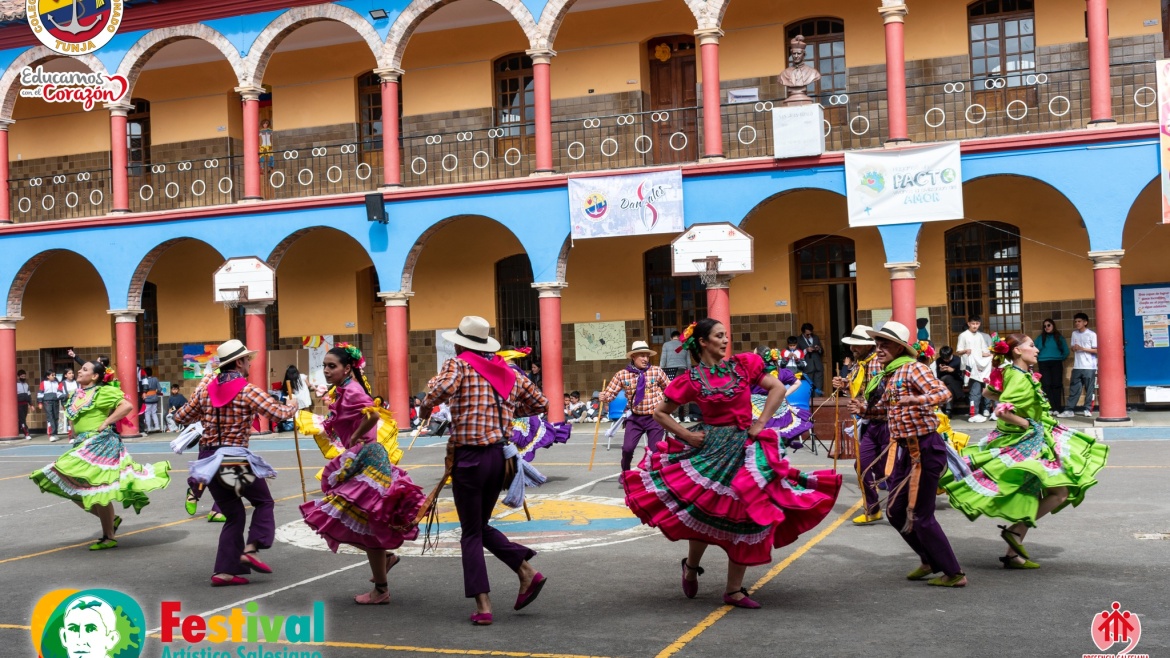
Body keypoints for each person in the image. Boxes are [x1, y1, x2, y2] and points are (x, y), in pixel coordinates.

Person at [624, 319, 841, 608]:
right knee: (703, 513)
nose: (726, 340)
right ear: (703, 342)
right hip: (710, 450)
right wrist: (687, 435)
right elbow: (660, 413)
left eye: (726, 335)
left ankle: (734, 589)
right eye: (718, 336)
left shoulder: (742, 365)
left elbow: (776, 388)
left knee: (746, 514)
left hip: (745, 448)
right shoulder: (691, 379)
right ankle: (690, 566)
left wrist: (761, 422)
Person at [418, 316, 549, 625]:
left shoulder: (459, 365)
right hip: (500, 458)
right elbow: (540, 403)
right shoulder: (509, 372)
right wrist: (503, 410)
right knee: (479, 525)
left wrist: (425, 406)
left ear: (461, 343)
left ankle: (484, 604)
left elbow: (439, 392)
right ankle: (526, 572)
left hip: (471, 457)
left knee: (471, 532)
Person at [942, 333, 1109, 569]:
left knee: (1034, 492)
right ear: (1018, 351)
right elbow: (1002, 410)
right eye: (1032, 345)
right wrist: (1027, 423)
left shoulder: (1014, 373)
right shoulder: (1019, 377)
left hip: (1028, 439)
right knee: (1059, 492)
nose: (1037, 349)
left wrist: (1021, 411)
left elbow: (991, 394)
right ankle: (1015, 533)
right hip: (1027, 442)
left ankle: (1012, 553)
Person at [299, 344, 424, 604]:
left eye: (332, 366)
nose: (326, 370)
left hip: (368, 462)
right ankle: (384, 568)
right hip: (361, 460)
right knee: (354, 522)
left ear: (347, 368)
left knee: (343, 519)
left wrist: (356, 436)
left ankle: (381, 587)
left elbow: (374, 413)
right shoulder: (343, 390)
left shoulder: (353, 390)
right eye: (325, 366)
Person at [172, 339, 298, 586]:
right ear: (239, 362)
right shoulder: (247, 390)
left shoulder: (207, 390)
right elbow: (279, 414)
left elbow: (180, 416)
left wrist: (200, 394)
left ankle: (224, 572)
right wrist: (292, 405)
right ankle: (251, 549)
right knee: (263, 502)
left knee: (233, 514)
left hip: (208, 459)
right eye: (247, 359)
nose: (250, 363)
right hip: (232, 459)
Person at [853, 321, 964, 587]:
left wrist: (917, 400)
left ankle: (954, 573)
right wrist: (863, 410)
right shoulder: (890, 374)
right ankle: (929, 560)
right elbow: (884, 410)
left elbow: (943, 392)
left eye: (885, 344)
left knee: (921, 516)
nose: (879, 349)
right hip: (906, 450)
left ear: (900, 348)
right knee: (894, 511)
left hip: (926, 448)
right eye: (877, 344)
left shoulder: (913, 368)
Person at [29, 360, 171, 550]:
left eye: (85, 369)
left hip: (100, 443)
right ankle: (111, 520)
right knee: (72, 486)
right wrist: (74, 438)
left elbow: (126, 406)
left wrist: (106, 423)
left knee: (98, 489)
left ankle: (109, 536)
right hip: (82, 445)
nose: (79, 371)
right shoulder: (74, 395)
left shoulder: (104, 392)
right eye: (81, 369)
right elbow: (73, 421)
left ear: (95, 376)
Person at [831, 324, 884, 525]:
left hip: (882, 421)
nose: (853, 349)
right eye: (852, 345)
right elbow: (857, 386)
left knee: (888, 468)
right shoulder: (860, 363)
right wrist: (843, 384)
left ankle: (908, 504)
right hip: (869, 422)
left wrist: (862, 406)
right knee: (862, 464)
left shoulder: (876, 364)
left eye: (857, 345)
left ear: (867, 346)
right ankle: (873, 509)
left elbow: (877, 394)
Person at [600, 341, 671, 473]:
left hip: (655, 418)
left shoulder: (656, 371)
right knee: (627, 449)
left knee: (654, 452)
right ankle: (625, 472)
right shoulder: (623, 374)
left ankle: (652, 478)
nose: (645, 359)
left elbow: (670, 389)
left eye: (647, 356)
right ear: (633, 357)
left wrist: (666, 406)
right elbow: (610, 393)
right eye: (642, 356)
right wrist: (604, 397)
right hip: (635, 417)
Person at [498, 346, 571, 463]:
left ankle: (518, 473)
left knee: (514, 443)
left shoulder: (511, 372)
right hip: (519, 410)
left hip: (515, 412)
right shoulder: (517, 372)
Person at [955, 315, 993, 423]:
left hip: (980, 366)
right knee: (975, 391)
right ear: (968, 324)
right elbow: (958, 351)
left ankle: (983, 410)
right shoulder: (963, 335)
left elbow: (984, 351)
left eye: (977, 324)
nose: (975, 326)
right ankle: (973, 413)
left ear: (979, 324)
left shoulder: (980, 336)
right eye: (973, 324)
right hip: (970, 367)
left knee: (985, 388)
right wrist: (965, 351)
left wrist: (991, 354)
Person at [1061, 313, 1098, 418]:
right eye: (1076, 321)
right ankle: (1069, 410)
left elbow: (1096, 350)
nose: (1077, 323)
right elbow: (1073, 348)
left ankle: (1087, 409)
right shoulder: (1074, 334)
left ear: (1085, 322)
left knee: (1089, 389)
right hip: (1077, 365)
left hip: (1089, 366)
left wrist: (1082, 348)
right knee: (1074, 389)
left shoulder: (1091, 334)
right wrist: (1074, 348)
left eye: (1079, 321)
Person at [1035, 319, 1069, 410]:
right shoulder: (1040, 338)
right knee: (1046, 385)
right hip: (1043, 363)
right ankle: (1051, 407)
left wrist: (1060, 358)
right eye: (1044, 326)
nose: (1046, 327)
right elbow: (1034, 349)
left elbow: (1066, 350)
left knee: (1056, 384)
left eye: (1048, 325)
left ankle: (1057, 408)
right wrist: (1039, 358)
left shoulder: (1059, 337)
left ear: (1053, 325)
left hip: (1056, 362)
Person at [935, 346, 965, 416]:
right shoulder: (939, 360)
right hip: (943, 380)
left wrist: (953, 371)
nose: (946, 361)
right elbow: (938, 376)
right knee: (947, 377)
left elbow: (961, 375)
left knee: (949, 387)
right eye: (944, 359)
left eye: (947, 358)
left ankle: (948, 410)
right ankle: (960, 395)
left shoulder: (957, 360)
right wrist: (940, 371)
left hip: (956, 381)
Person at [797, 324, 825, 395]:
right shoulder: (798, 340)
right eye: (807, 334)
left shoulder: (816, 338)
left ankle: (818, 403)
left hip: (818, 366)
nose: (809, 336)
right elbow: (797, 353)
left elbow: (822, 351)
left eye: (810, 334)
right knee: (808, 388)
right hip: (807, 367)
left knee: (819, 387)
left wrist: (819, 349)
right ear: (803, 333)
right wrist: (806, 350)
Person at [38, 370, 64, 441]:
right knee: (50, 416)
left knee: (56, 417)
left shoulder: (57, 383)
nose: (54, 376)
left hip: (56, 401)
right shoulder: (43, 383)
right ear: (48, 376)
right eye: (52, 375)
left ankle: (55, 433)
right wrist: (40, 402)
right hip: (47, 401)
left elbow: (60, 392)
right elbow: (40, 393)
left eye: (54, 375)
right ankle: (51, 434)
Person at [140, 367, 161, 433]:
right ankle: (157, 426)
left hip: (147, 399)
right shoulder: (155, 379)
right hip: (154, 398)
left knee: (147, 413)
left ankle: (149, 428)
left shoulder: (144, 380)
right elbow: (159, 389)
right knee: (154, 413)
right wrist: (156, 393)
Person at [60, 368, 78, 437]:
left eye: (72, 373)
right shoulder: (62, 384)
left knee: (76, 418)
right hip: (66, 402)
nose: (72, 375)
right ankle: (71, 435)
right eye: (69, 373)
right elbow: (58, 394)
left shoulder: (76, 382)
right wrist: (66, 395)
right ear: (65, 375)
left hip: (76, 402)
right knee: (70, 418)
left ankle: (77, 434)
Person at [17, 369, 31, 439]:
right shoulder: (16, 385)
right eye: (22, 376)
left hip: (25, 404)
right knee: (22, 419)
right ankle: (26, 433)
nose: (23, 377)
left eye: (24, 376)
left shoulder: (26, 384)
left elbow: (29, 395)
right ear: (18, 377)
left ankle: (18, 430)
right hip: (19, 405)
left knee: (23, 419)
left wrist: (30, 404)